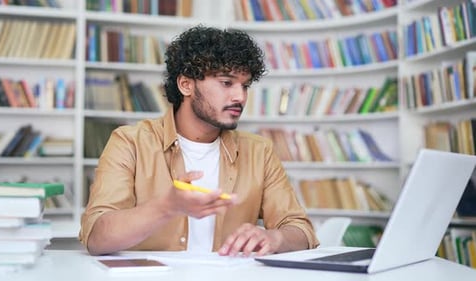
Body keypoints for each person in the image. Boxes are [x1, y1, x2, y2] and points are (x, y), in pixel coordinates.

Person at [80, 25, 319, 256]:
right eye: (226, 83)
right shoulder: (129, 142)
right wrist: (166, 207)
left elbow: (301, 230)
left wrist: (274, 238)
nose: (240, 97)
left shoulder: (259, 151)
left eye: (244, 86)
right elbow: (96, 238)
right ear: (186, 85)